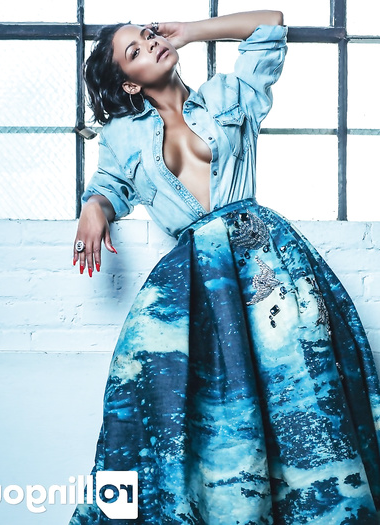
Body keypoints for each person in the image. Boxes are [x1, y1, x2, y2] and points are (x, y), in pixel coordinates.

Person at [69, 11, 380, 525]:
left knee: (298, 382)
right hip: (197, 271)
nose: (150, 44)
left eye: (148, 35)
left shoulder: (227, 94)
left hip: (263, 255)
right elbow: (108, 188)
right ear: (129, 83)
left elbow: (269, 25)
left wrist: (190, 32)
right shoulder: (122, 135)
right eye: (135, 51)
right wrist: (93, 209)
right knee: (171, 384)